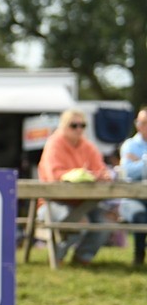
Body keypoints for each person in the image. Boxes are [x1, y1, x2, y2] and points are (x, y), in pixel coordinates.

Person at [38, 109, 111, 265]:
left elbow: (102, 171)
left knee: (106, 223)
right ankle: (58, 257)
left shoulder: (88, 146)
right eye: (74, 125)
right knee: (78, 222)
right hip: (52, 203)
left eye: (82, 125)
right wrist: (79, 175)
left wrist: (99, 176)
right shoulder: (54, 144)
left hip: (84, 203)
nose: (79, 129)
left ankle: (82, 258)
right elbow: (54, 176)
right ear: (63, 126)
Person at [118, 109, 147, 267]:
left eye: (145, 123)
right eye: (140, 122)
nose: (142, 126)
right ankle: (139, 257)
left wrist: (140, 161)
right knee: (140, 216)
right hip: (132, 198)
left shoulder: (133, 150)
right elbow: (128, 172)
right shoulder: (129, 145)